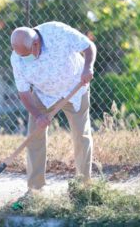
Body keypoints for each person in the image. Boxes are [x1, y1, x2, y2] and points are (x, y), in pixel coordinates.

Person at [10, 21, 97, 190]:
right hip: (44, 96)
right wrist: (38, 116)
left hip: (75, 88)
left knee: (81, 135)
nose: (24, 59)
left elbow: (88, 46)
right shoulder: (17, 59)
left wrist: (88, 68)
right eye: (20, 55)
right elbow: (24, 93)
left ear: (36, 44)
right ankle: (35, 189)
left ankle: (83, 186)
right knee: (34, 137)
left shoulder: (57, 33)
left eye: (27, 54)